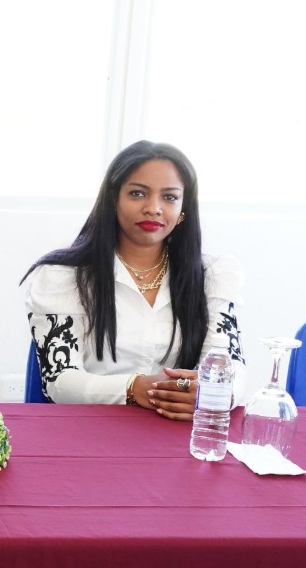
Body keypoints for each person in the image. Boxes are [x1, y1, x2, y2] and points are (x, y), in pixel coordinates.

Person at [23, 140, 246, 416]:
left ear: (183, 210)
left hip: (173, 426)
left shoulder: (212, 275)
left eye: (169, 197)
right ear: (113, 199)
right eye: (138, 193)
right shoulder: (64, 276)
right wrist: (133, 388)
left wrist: (215, 393)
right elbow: (59, 381)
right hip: (91, 425)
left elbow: (230, 366)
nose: (153, 208)